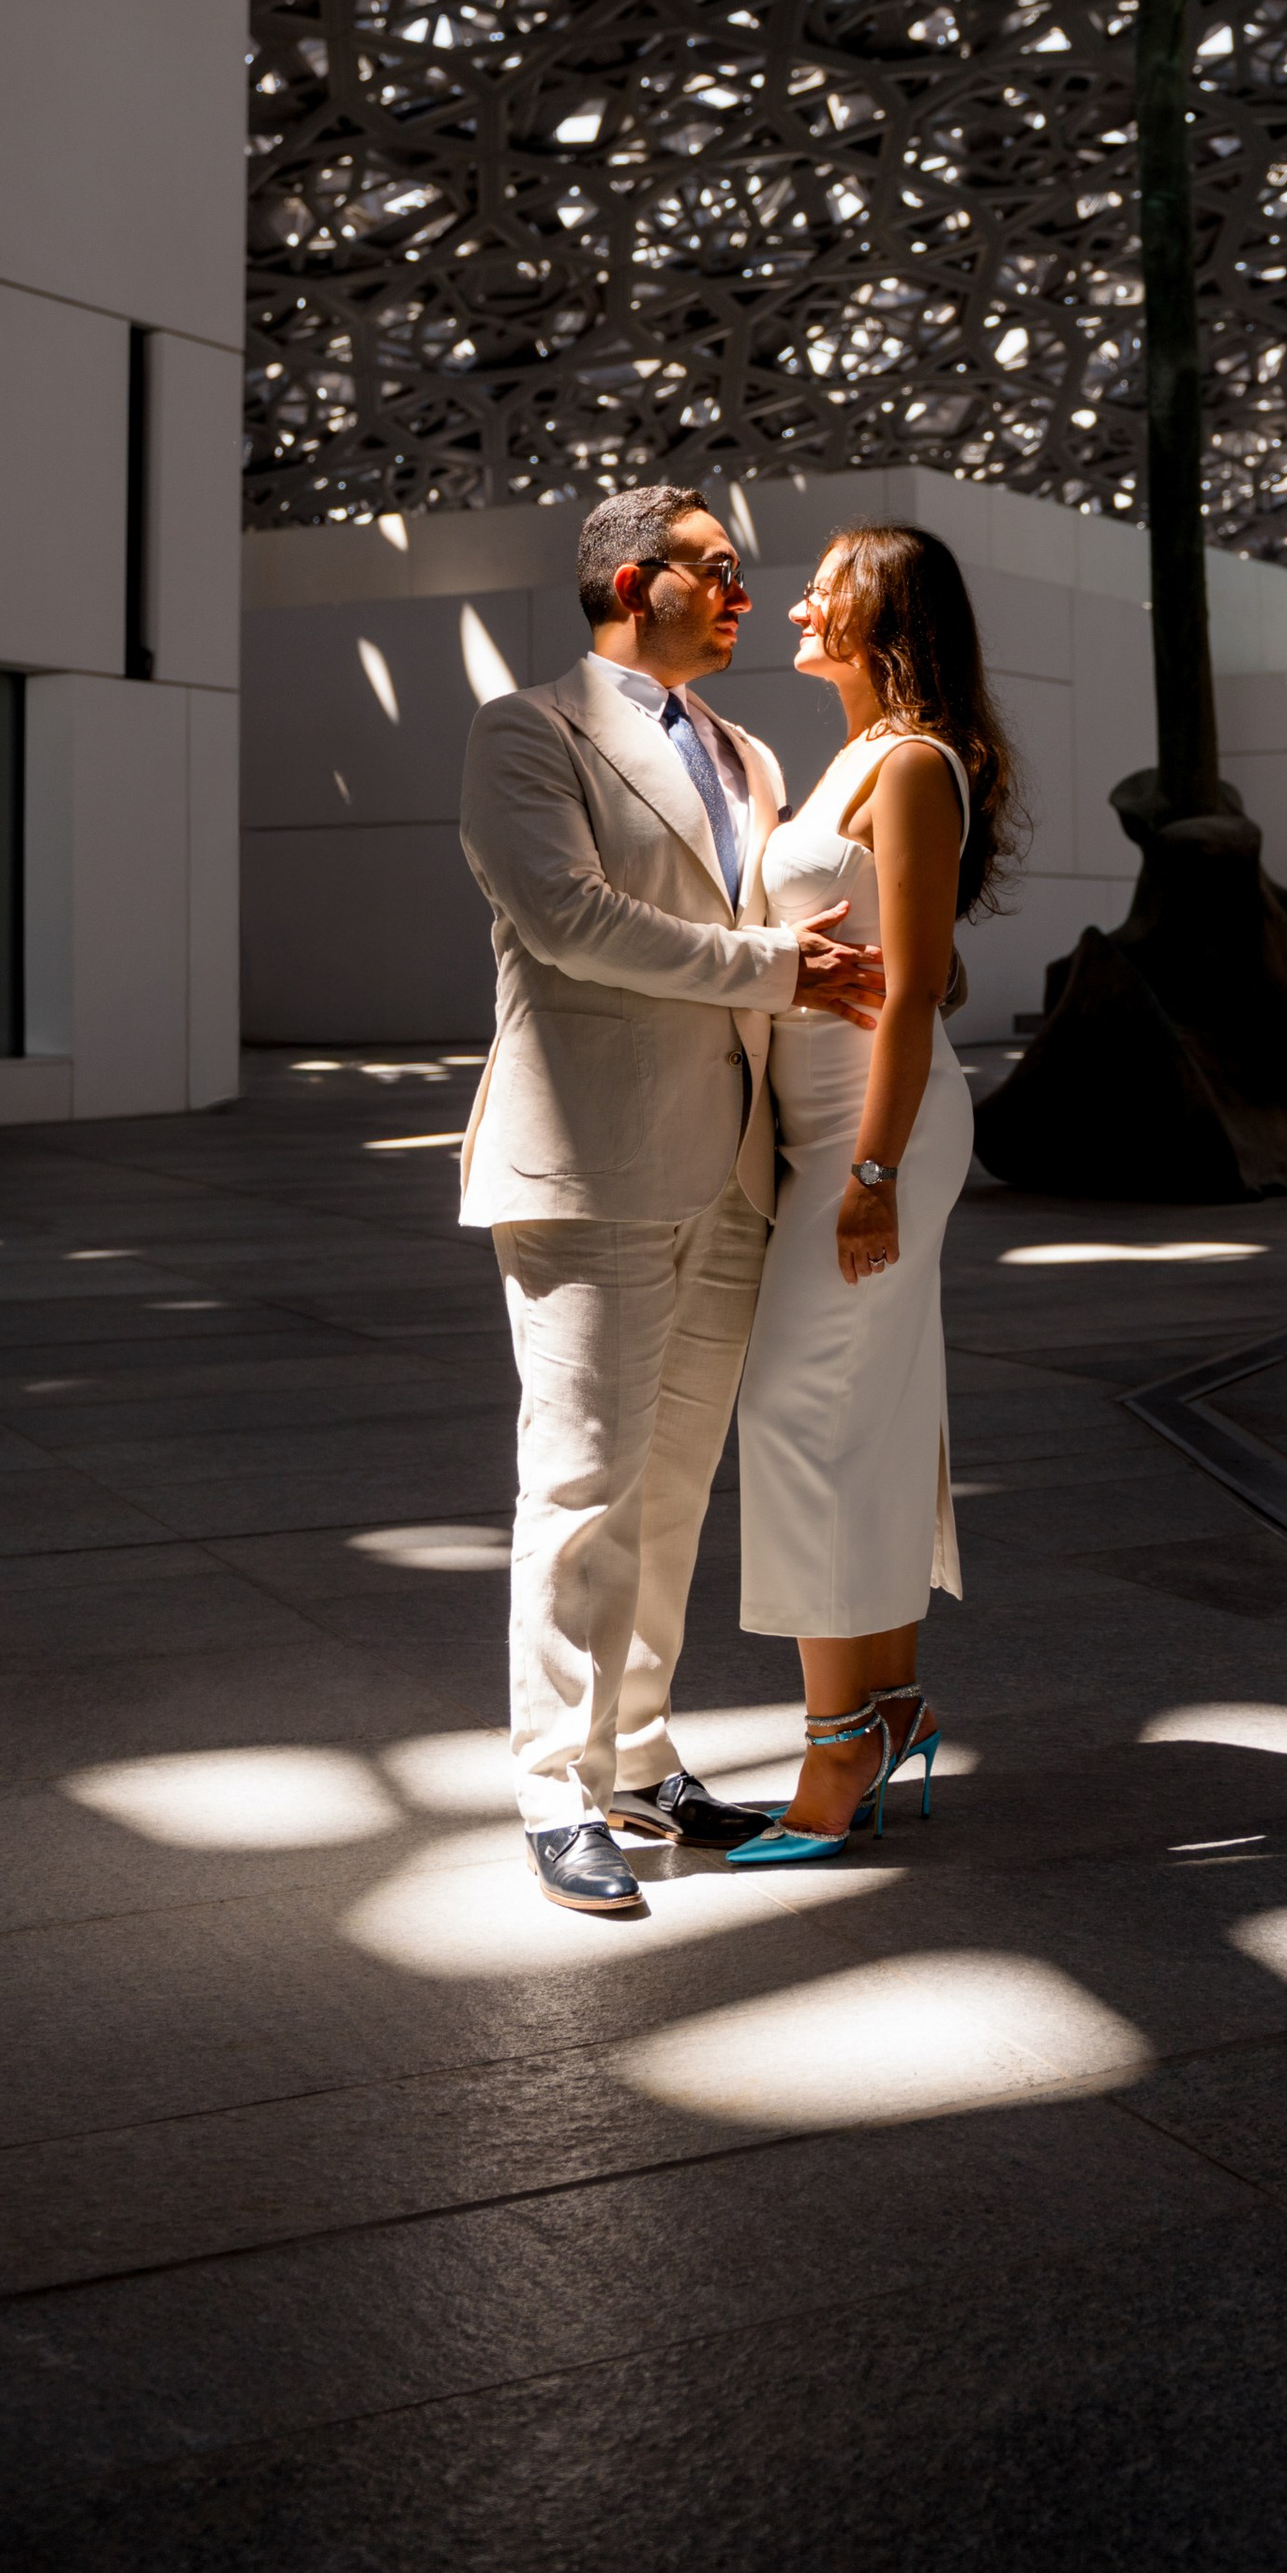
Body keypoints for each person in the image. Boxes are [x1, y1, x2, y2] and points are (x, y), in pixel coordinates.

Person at [456, 483, 885, 1918]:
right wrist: (779, 968)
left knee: (672, 1491)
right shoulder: (527, 734)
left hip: (730, 1168)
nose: (746, 596)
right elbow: (569, 923)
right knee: (579, 1486)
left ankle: (636, 1759)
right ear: (637, 584)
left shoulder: (749, 751)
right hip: (591, 1164)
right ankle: (551, 1792)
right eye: (720, 571)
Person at [726, 526, 1019, 1863]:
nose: (798, 600)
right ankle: (891, 1704)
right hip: (825, 1132)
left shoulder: (908, 767)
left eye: (826, 585)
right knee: (871, 1417)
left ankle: (837, 1753)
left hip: (875, 1130)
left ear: (885, 613)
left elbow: (914, 988)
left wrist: (875, 1173)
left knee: (800, 1415)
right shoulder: (842, 761)